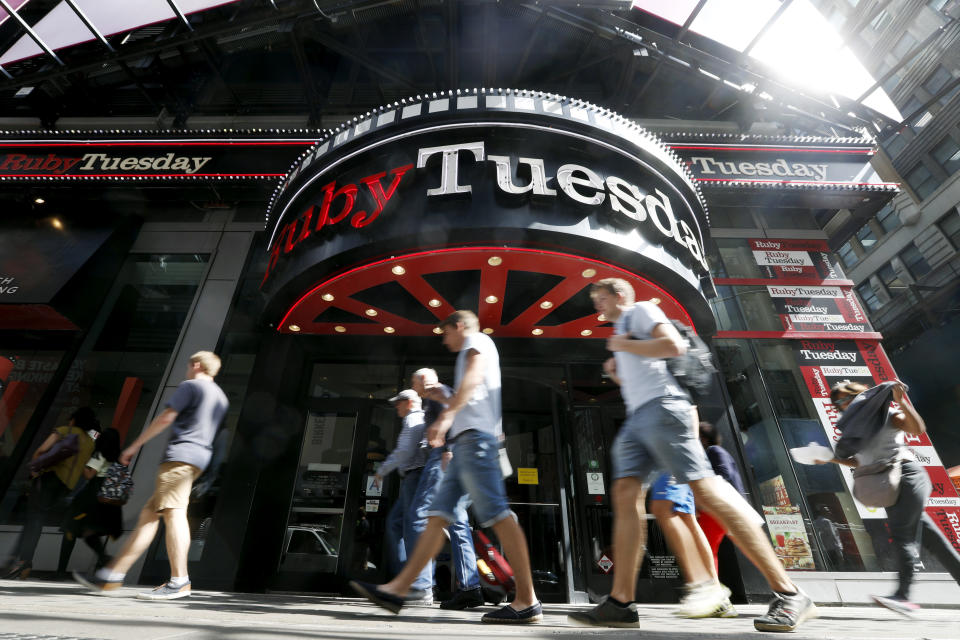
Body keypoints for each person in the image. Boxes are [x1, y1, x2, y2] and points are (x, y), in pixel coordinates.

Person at [568, 279, 817, 632]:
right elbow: (646, 371)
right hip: (638, 417)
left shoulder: (640, 311)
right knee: (626, 497)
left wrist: (624, 345)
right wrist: (619, 373)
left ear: (619, 295)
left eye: (602, 298)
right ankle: (621, 603)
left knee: (704, 491)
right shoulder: (625, 328)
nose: (598, 306)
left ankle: (790, 593)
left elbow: (672, 346)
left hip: (665, 409)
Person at [351, 310, 542, 623]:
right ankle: (400, 588)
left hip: (475, 442)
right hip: (464, 444)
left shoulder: (476, 341)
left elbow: (473, 378)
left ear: (460, 326)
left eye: (446, 333)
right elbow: (467, 392)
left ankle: (527, 600)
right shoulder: (469, 350)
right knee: (437, 515)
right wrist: (441, 396)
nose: (444, 340)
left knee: (498, 516)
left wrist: (445, 418)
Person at [74, 351, 228, 600]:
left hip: (180, 457)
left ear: (196, 365)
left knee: (174, 512)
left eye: (189, 366)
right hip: (198, 458)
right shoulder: (220, 397)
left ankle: (180, 581)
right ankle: (112, 576)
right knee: (149, 516)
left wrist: (135, 446)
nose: (187, 371)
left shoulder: (191, 386)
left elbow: (167, 416)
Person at [816, 380, 960, 616]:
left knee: (902, 535)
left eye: (845, 399)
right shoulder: (855, 429)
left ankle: (903, 596)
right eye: (837, 403)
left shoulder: (886, 413)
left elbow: (917, 429)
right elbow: (860, 461)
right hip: (889, 482)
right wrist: (829, 458)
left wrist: (901, 401)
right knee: (932, 540)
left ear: (861, 396)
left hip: (906, 476)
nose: (841, 405)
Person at [410, 367, 483, 610]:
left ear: (423, 381)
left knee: (420, 516)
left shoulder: (436, 391)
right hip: (454, 458)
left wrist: (448, 449)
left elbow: (454, 416)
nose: (414, 387)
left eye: (415, 382)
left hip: (442, 458)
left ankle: (421, 587)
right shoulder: (436, 395)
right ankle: (470, 588)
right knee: (458, 523)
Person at [1, 406, 99, 580]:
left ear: (74, 419)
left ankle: (24, 562)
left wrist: (34, 470)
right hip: (66, 487)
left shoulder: (64, 431)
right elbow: (86, 470)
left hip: (48, 479)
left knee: (34, 519)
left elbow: (41, 451)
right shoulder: (89, 442)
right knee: (35, 518)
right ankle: (16, 560)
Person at [648, 472, 736, 618]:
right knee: (686, 518)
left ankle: (703, 589)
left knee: (664, 508)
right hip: (671, 461)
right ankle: (714, 591)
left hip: (667, 458)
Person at [374, 389, 433, 605]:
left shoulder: (413, 419)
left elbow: (404, 450)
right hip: (413, 477)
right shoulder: (416, 418)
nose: (396, 408)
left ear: (408, 402)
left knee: (414, 528)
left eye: (398, 404)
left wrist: (382, 470)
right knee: (396, 524)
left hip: (415, 476)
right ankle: (407, 582)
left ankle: (420, 586)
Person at [58, 428, 124, 574]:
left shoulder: (100, 454)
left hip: (90, 496)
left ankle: (60, 570)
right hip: (106, 496)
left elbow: (89, 475)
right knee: (89, 530)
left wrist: (81, 461)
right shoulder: (118, 456)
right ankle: (104, 559)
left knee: (71, 528)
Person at [696, 421, 747, 571]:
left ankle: (713, 587)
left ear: (704, 438)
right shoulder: (712, 452)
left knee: (707, 548)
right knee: (708, 548)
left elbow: (724, 474)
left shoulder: (714, 450)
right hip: (718, 508)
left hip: (717, 508)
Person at [812, 506, 843, 571]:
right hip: (832, 549)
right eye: (827, 511)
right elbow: (833, 537)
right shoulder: (826, 521)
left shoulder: (815, 522)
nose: (829, 512)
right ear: (822, 512)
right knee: (837, 568)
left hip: (824, 549)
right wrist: (839, 550)